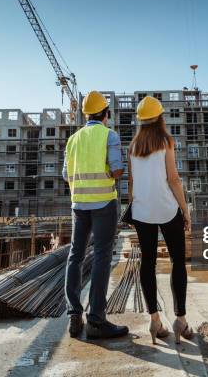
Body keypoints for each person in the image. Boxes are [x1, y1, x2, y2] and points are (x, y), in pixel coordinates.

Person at [63, 90, 128, 339]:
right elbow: (117, 170)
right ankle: (97, 321)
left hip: (78, 205)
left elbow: (65, 175)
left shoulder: (73, 140)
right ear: (106, 114)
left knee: (75, 256)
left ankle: (74, 316)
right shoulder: (109, 135)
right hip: (103, 204)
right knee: (101, 257)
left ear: (86, 114)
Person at [128, 95, 193, 344]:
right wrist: (185, 210)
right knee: (178, 262)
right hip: (167, 209)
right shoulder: (166, 141)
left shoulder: (133, 146)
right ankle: (181, 319)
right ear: (160, 117)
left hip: (142, 212)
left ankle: (154, 320)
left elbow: (131, 183)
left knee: (148, 264)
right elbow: (174, 179)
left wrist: (135, 206)